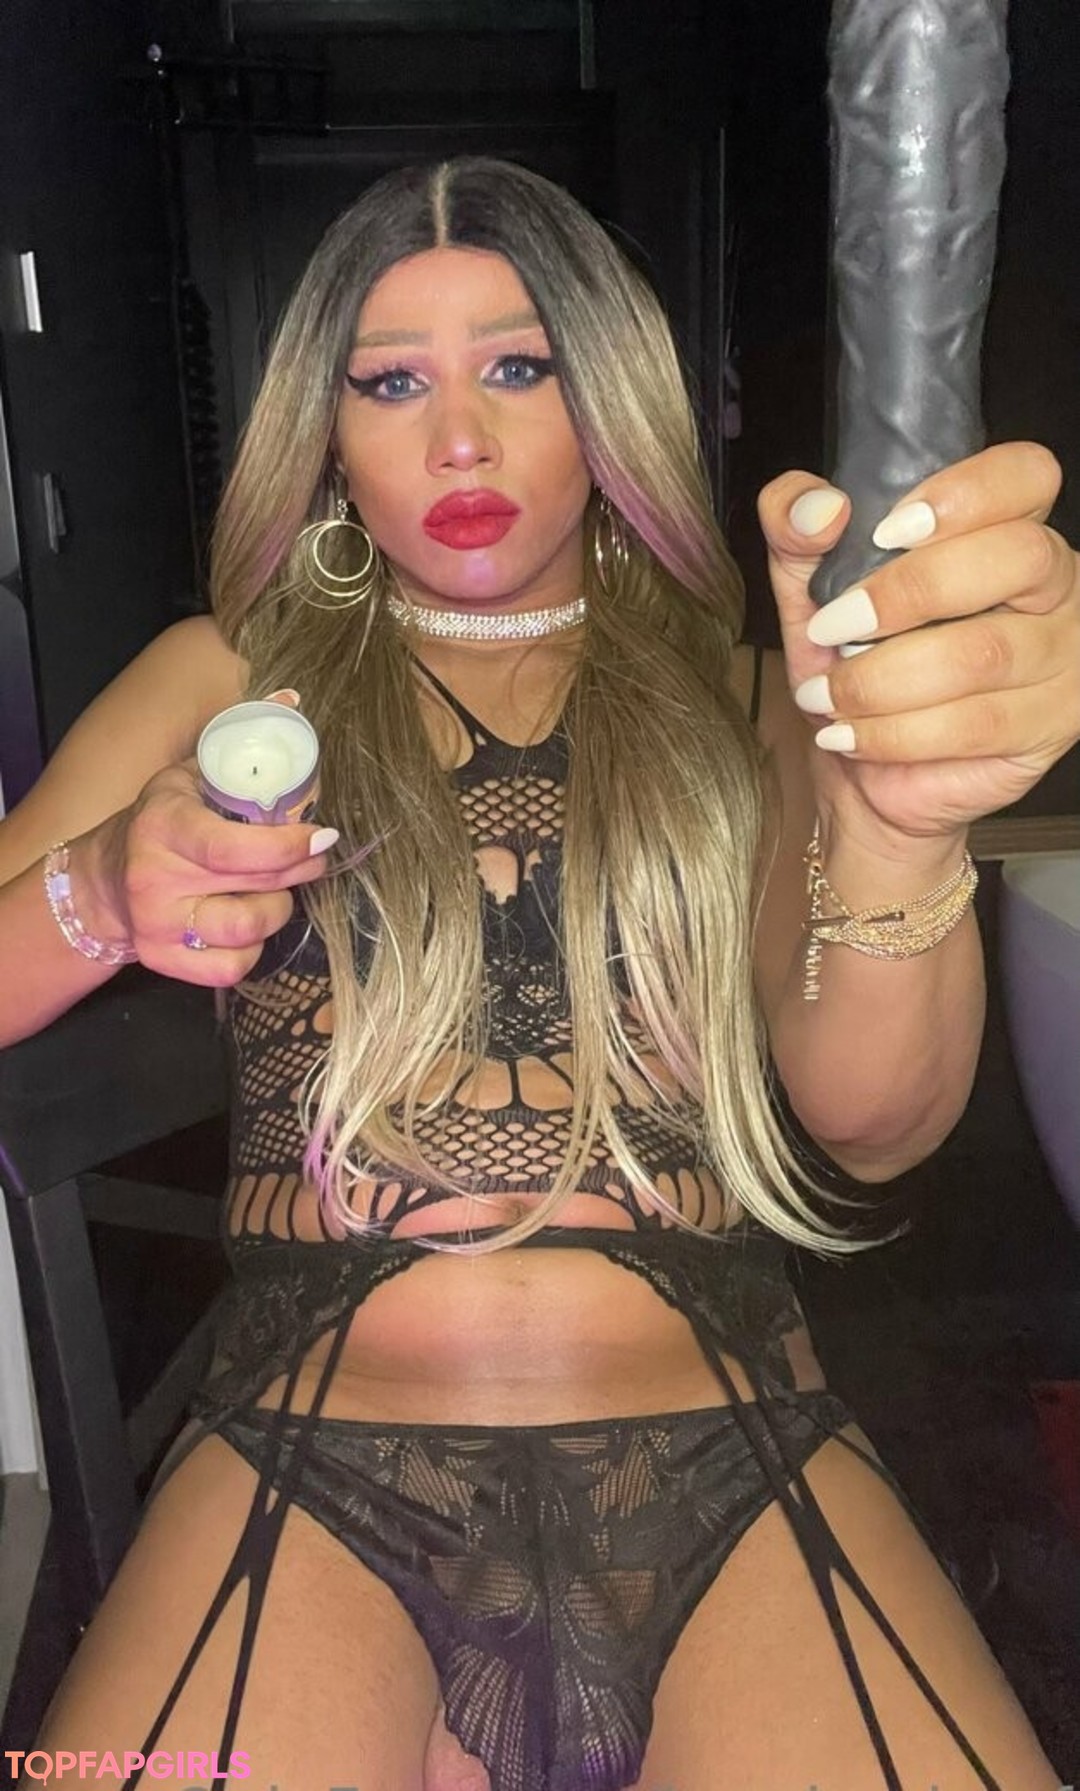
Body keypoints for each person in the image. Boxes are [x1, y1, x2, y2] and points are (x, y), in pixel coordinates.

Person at [3, 156, 1077, 1791]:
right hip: (311, 1452)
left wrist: (901, 831)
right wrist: (99, 890)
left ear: (612, 399)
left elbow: (874, 1125)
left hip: (731, 1442)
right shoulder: (228, 678)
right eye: (391, 382)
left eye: (519, 367)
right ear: (326, 431)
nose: (459, 440)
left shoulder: (750, 697)